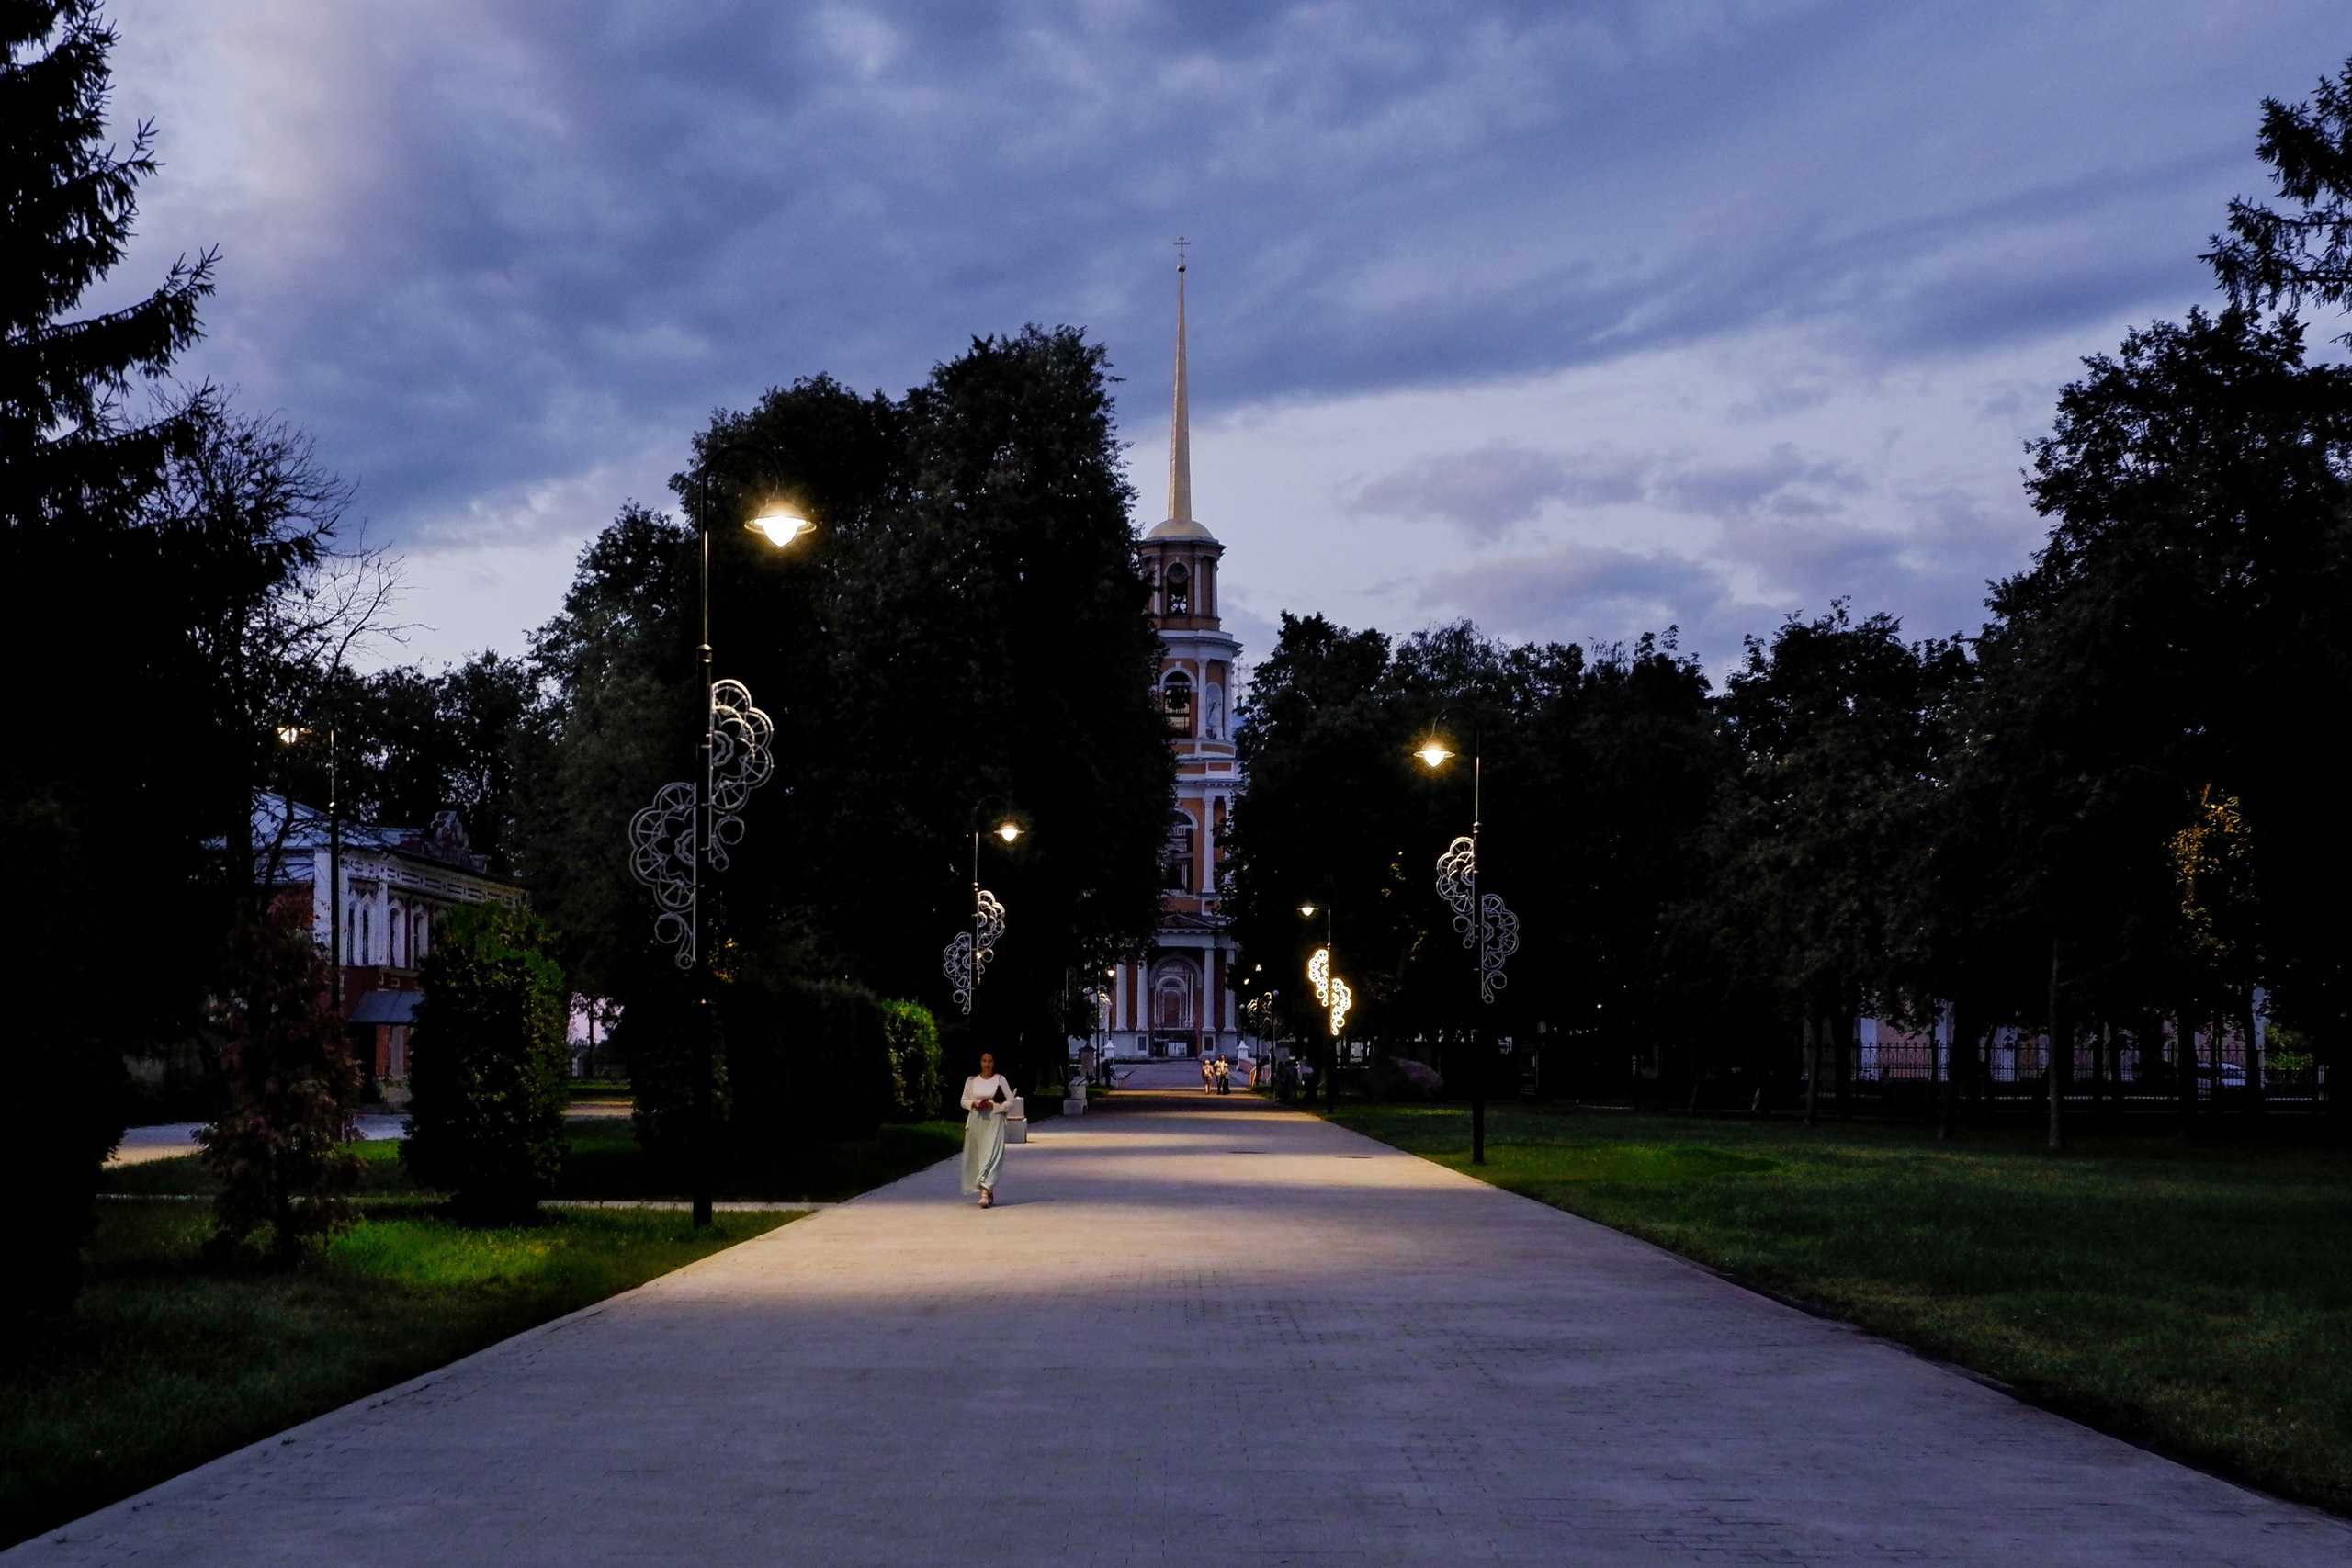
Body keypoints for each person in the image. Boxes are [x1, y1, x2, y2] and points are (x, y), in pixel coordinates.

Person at [960, 1052, 1013, 1208]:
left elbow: (1010, 1101)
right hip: (977, 1122)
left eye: (990, 1061)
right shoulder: (971, 1081)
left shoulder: (999, 1080)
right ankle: (986, 1190)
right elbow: (963, 1100)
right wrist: (974, 1104)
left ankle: (985, 1190)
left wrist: (995, 1106)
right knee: (979, 1156)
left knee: (991, 1155)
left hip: (994, 1121)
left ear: (994, 1063)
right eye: (984, 1061)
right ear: (979, 1062)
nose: (987, 1064)